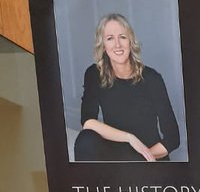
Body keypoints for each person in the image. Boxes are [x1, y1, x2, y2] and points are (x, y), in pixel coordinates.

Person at [74, 13, 179, 162]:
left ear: (130, 41)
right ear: (103, 45)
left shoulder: (151, 78)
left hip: (147, 155)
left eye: (122, 37)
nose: (117, 44)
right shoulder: (94, 73)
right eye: (110, 38)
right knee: (85, 140)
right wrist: (130, 138)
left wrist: (143, 154)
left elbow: (173, 137)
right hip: (117, 152)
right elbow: (88, 121)